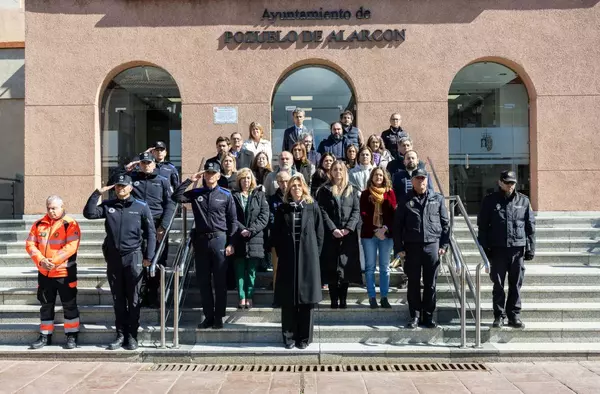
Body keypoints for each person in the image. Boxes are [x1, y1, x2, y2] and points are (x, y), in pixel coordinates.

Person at [83, 175, 156, 350]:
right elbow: (89, 213)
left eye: (124, 186)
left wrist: (149, 257)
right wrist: (96, 194)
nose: (120, 189)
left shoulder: (141, 206)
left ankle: (132, 335)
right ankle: (120, 334)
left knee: (133, 298)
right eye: (117, 186)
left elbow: (151, 233)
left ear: (130, 187)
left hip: (134, 257)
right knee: (118, 299)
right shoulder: (109, 206)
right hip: (114, 258)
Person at [172, 161, 237, 330]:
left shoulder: (226, 194)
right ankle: (208, 316)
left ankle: (218, 317)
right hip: (201, 241)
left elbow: (233, 221)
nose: (210, 176)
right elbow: (176, 197)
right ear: (204, 175)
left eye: (213, 173)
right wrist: (189, 180)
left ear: (218, 175)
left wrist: (231, 242)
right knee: (203, 281)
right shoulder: (196, 192)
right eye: (207, 173)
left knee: (220, 281)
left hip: (219, 240)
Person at [477, 170, 536, 329]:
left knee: (516, 284)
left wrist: (531, 248)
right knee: (498, 284)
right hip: (497, 249)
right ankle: (499, 316)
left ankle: (514, 315)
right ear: (500, 182)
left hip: (517, 249)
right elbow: (482, 227)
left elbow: (530, 226)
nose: (510, 186)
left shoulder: (523, 200)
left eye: (512, 183)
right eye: (507, 182)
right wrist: (484, 249)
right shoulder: (490, 200)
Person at [272, 174, 324, 349]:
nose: (296, 188)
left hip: (308, 259)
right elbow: (276, 235)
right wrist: (282, 253)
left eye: (298, 185)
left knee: (306, 301)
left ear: (304, 188)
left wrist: (315, 254)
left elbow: (319, 233)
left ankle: (304, 338)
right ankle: (289, 337)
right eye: (292, 186)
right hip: (288, 259)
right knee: (288, 300)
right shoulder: (282, 209)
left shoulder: (312, 207)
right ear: (289, 190)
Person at [393, 168, 449, 329]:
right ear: (412, 181)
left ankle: (429, 316)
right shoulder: (405, 200)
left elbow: (446, 224)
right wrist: (399, 248)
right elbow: (397, 227)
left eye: (424, 178)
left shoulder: (437, 199)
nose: (421, 181)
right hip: (412, 247)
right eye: (418, 178)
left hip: (432, 246)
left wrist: (444, 245)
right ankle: (415, 316)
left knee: (431, 284)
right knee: (414, 283)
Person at [118, 152, 175, 308]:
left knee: (157, 261)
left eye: (149, 163)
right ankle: (140, 295)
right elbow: (116, 183)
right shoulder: (132, 179)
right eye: (143, 163)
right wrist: (127, 170)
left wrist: (163, 226)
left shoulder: (163, 181)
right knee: (139, 260)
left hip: (157, 226)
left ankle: (154, 295)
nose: (146, 165)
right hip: (137, 225)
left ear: (154, 164)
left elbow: (170, 204)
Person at [26, 195, 81, 350]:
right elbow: (30, 244)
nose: (51, 211)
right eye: (49, 208)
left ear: (62, 207)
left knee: (69, 305)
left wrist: (53, 261)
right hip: (44, 273)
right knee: (46, 305)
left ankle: (71, 336)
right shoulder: (38, 224)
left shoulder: (70, 224)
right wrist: (41, 260)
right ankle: (45, 335)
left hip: (65, 273)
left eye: (54, 208)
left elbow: (71, 246)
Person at [317, 161, 362, 309]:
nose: (337, 172)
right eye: (335, 169)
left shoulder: (352, 190)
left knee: (345, 267)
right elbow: (322, 211)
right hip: (331, 235)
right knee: (331, 267)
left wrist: (348, 229)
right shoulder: (324, 190)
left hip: (348, 236)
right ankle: (333, 300)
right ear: (331, 172)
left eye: (340, 169)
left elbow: (356, 211)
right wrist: (333, 229)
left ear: (344, 172)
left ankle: (343, 299)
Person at [232, 169, 269, 310]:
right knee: (240, 270)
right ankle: (241, 297)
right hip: (239, 237)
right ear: (239, 180)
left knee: (252, 271)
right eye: (243, 178)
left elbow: (264, 216)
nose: (246, 181)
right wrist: (242, 229)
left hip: (255, 238)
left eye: (248, 178)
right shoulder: (234, 196)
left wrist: (251, 230)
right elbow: (231, 216)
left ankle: (249, 296)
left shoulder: (259, 195)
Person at [360, 168, 397, 309]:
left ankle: (384, 297)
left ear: (385, 177)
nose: (379, 177)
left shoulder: (390, 193)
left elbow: (394, 213)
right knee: (370, 267)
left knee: (384, 267)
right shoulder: (365, 194)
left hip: (386, 235)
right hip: (370, 235)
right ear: (372, 177)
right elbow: (363, 214)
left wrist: (385, 229)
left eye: (381, 175)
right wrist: (376, 230)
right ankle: (372, 297)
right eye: (376, 175)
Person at [267, 171, 291, 296]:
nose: (284, 184)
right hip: (277, 238)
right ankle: (277, 296)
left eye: (286, 181)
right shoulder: (272, 199)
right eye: (281, 181)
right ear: (277, 182)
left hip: (291, 238)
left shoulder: (295, 197)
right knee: (276, 269)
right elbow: (271, 218)